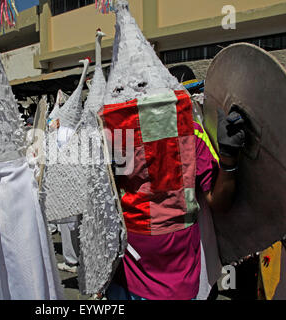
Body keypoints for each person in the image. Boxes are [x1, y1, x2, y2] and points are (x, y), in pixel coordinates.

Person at [105, 107, 245, 300]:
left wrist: (229, 157)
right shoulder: (112, 135)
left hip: (181, 279)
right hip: (126, 275)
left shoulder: (189, 132)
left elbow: (218, 201)